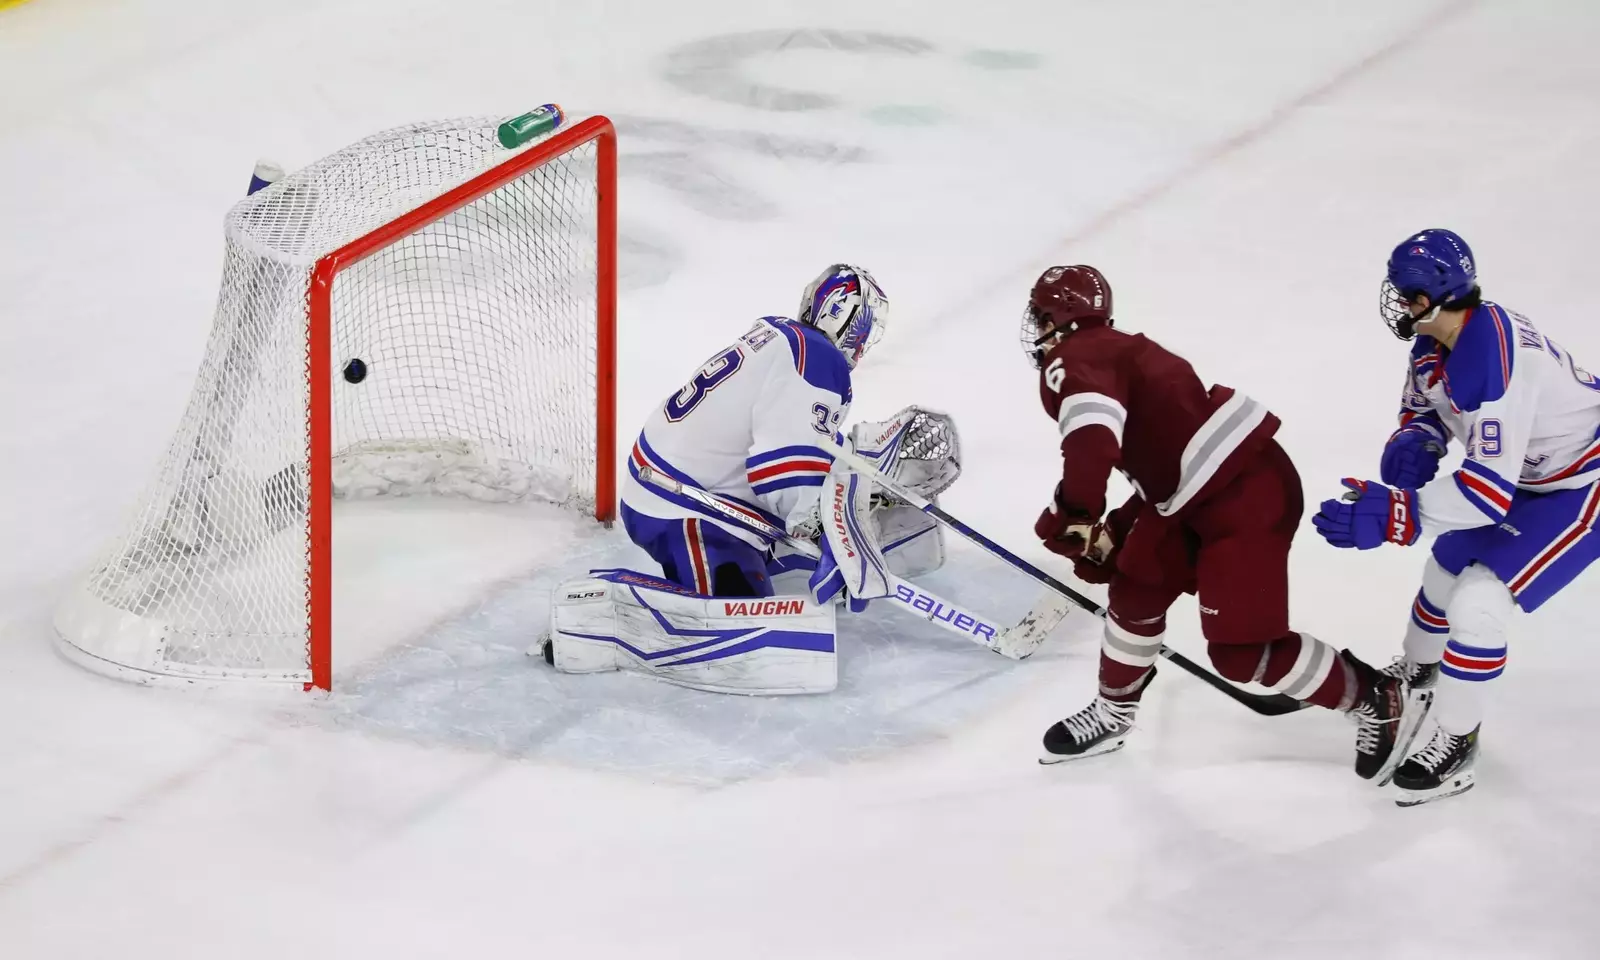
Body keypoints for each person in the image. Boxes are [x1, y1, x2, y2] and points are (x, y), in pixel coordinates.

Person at [1024, 264, 1410, 782]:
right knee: (1135, 589)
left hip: (1244, 498)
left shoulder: (1074, 359)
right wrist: (1119, 520)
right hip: (1201, 490)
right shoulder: (1116, 347)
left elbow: (1094, 444)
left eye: (1039, 316)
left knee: (1241, 653)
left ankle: (1373, 697)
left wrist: (1073, 515)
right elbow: (1167, 458)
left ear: (1057, 318)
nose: (1035, 329)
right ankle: (1115, 713)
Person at [1311, 229, 1600, 805]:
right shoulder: (1436, 341)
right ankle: (1416, 677)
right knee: (1443, 570)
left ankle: (1457, 741)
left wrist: (1401, 513)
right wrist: (1418, 435)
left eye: (1404, 292)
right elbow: (1427, 405)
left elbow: (1487, 494)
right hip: (1525, 473)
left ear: (1430, 295)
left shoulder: (1492, 362)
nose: (1396, 302)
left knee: (1477, 606)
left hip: (1578, 486)